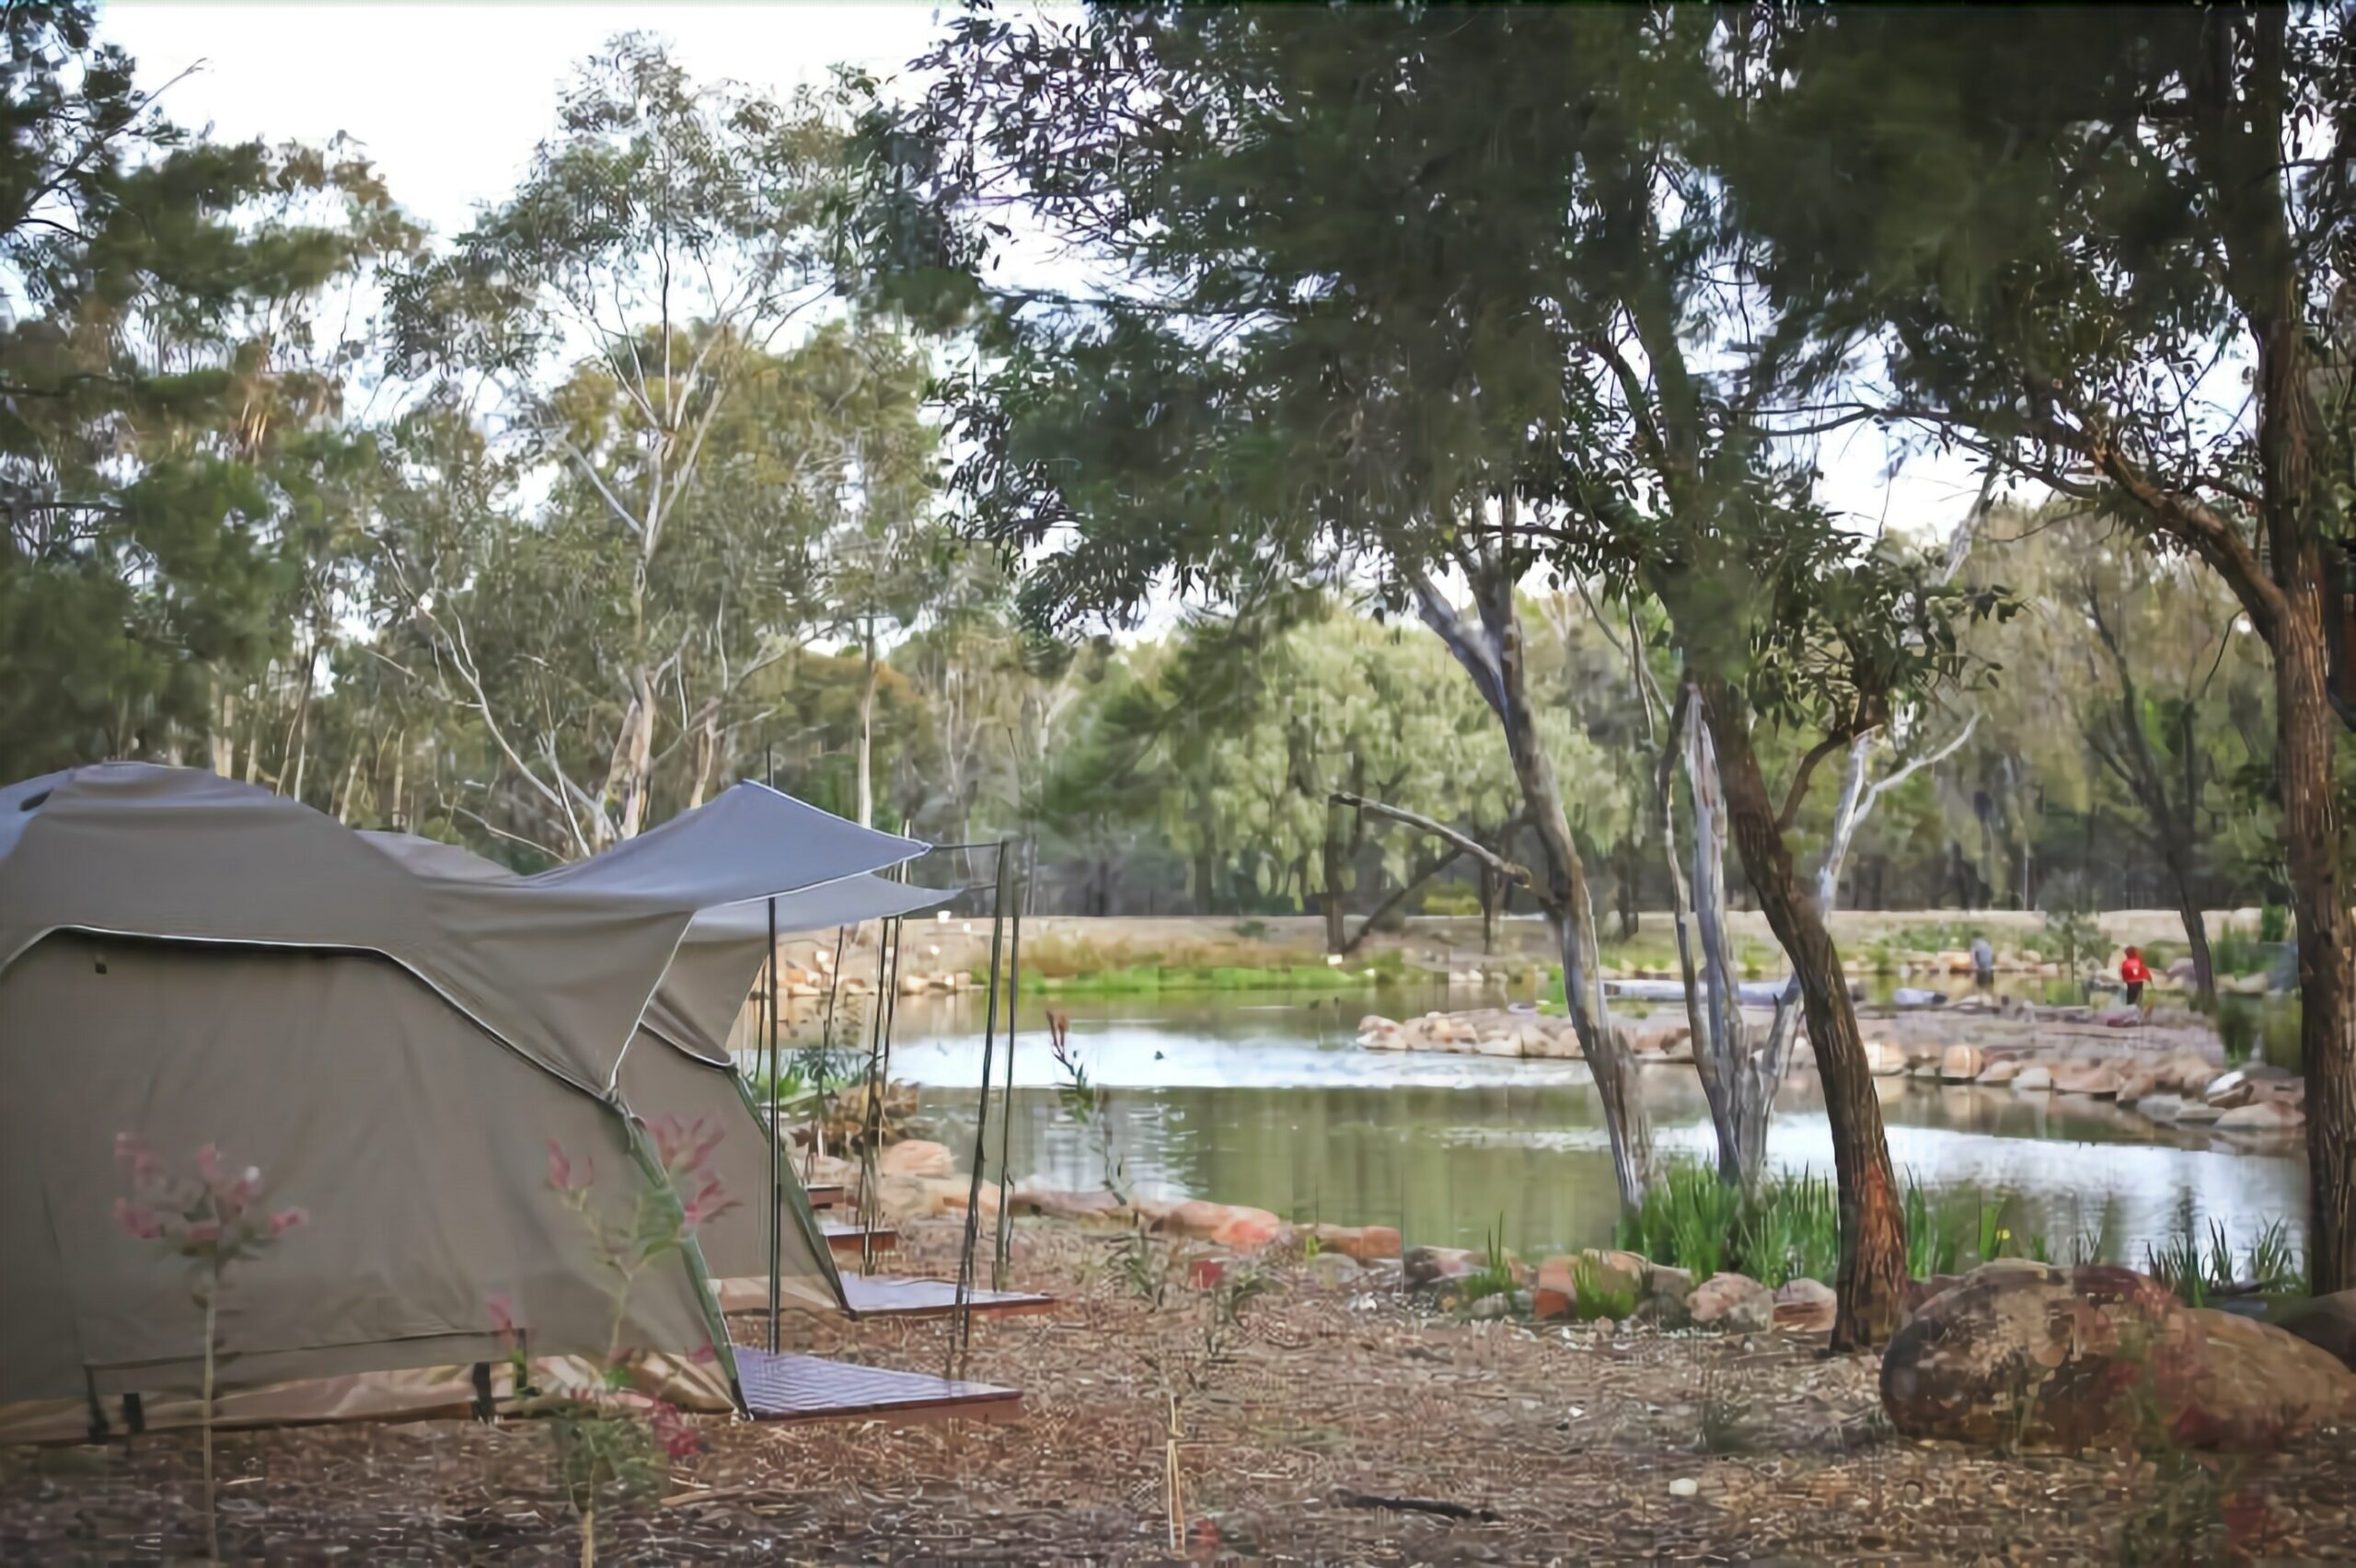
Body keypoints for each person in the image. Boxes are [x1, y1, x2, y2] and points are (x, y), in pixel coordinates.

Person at [2119, 946, 2152, 1015]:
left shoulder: (2125, 962)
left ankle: (2129, 1014)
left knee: (2130, 1000)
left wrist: (2124, 979)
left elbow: (2123, 973)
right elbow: (2144, 970)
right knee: (2138, 1000)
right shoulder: (2139, 961)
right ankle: (2137, 1014)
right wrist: (2149, 979)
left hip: (2130, 984)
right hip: (2138, 983)